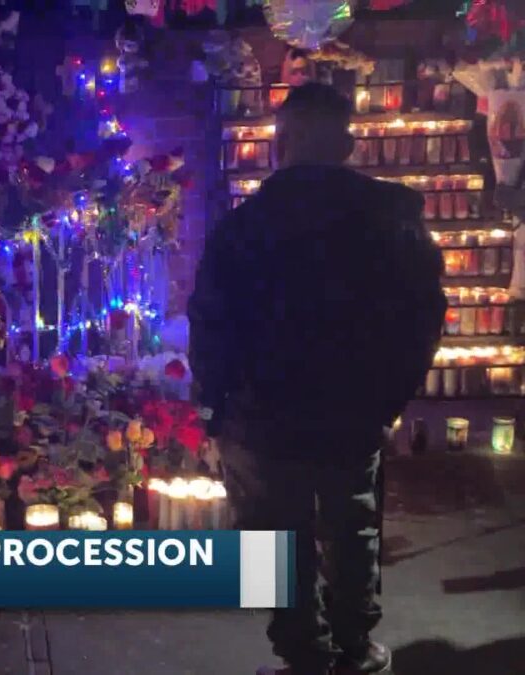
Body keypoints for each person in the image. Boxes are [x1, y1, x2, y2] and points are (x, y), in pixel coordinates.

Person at [188, 83, 446, 675]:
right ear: (346, 142)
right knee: (352, 527)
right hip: (352, 409)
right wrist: (391, 395)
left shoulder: (243, 227)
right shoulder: (393, 217)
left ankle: (302, 653)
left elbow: (211, 323)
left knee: (274, 541)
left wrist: (215, 405)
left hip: (260, 414)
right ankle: (356, 649)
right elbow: (423, 314)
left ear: (281, 143)